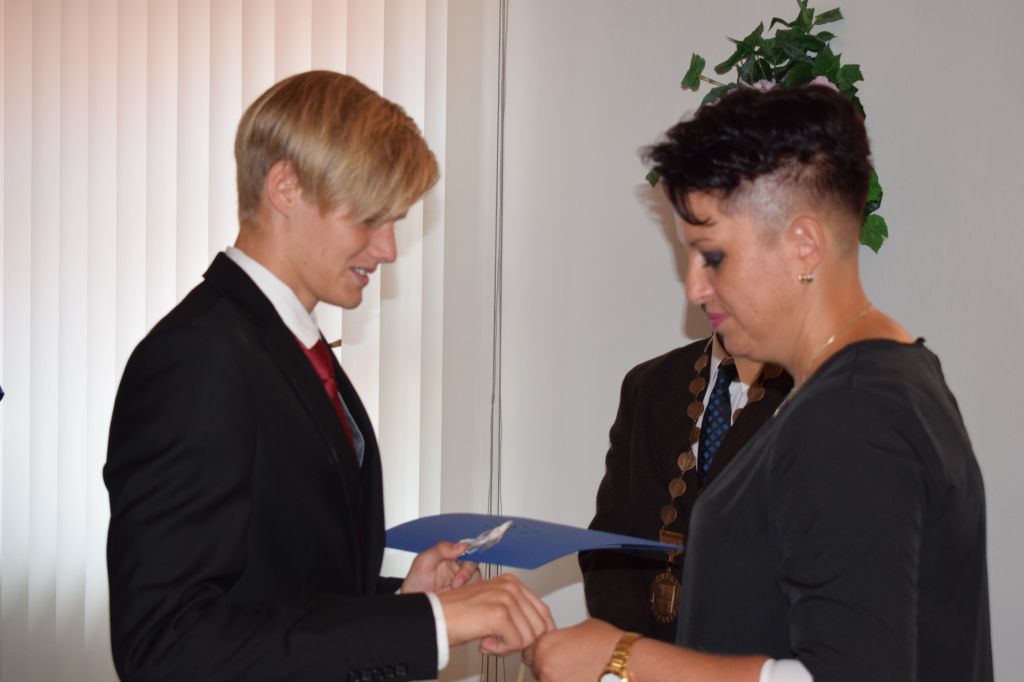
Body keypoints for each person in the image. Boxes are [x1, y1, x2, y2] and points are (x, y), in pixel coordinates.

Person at [530, 84, 992, 681]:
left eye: (712, 255)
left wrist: (624, 657)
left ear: (804, 246)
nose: (695, 288)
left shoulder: (855, 413)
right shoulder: (885, 381)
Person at [105, 70, 553, 682]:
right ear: (285, 187)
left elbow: (282, 586)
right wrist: (429, 623)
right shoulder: (199, 357)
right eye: (369, 217)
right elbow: (166, 645)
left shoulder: (286, 345)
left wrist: (403, 601)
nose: (388, 248)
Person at [579, 331, 791, 642]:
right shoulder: (648, 383)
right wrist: (637, 653)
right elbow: (610, 542)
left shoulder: (812, 390)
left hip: (756, 655)